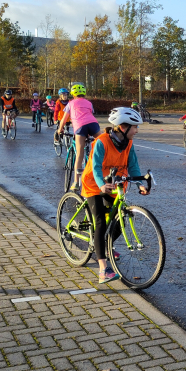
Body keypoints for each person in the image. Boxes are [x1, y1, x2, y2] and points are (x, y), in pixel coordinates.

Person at [81, 107, 147, 284]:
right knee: (101, 222)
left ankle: (106, 246)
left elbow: (133, 165)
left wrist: (140, 183)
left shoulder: (129, 143)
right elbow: (95, 167)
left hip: (115, 183)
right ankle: (103, 270)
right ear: (123, 127)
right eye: (135, 127)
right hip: (95, 184)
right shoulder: (101, 142)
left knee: (119, 222)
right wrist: (102, 185)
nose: (137, 130)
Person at [57, 83, 99, 191]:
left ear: (73, 94)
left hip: (80, 127)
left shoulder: (70, 103)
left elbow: (64, 119)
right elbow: (90, 115)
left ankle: (76, 182)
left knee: (79, 154)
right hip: (94, 125)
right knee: (102, 143)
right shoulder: (89, 103)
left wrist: (60, 129)